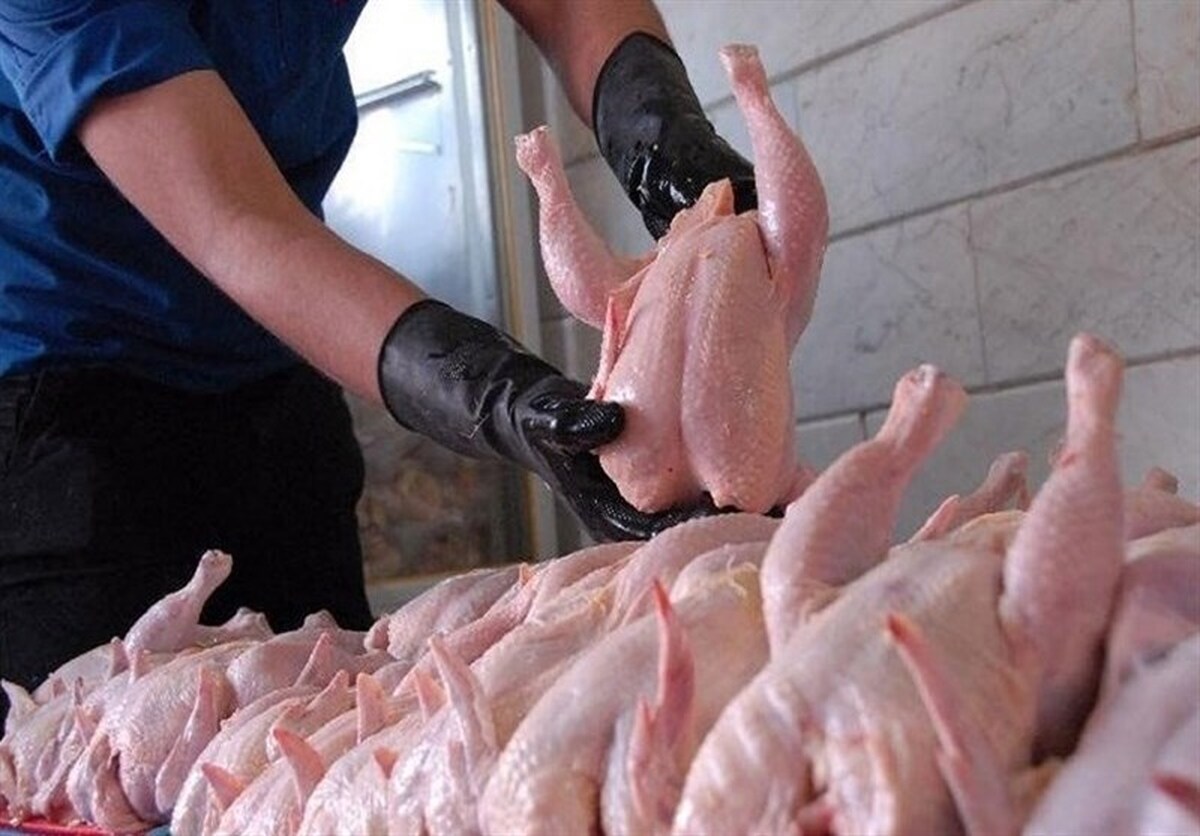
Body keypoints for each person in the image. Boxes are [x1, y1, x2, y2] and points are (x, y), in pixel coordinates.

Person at [0, 0, 759, 718]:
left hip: (275, 363)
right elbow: (235, 221)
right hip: (64, 394)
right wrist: (500, 398)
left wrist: (659, 126)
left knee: (333, 725)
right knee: (100, 756)